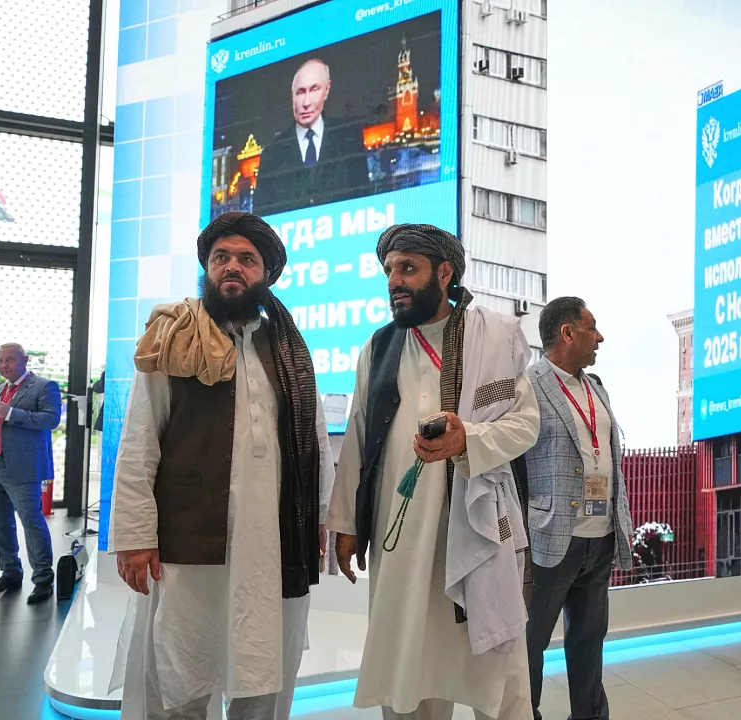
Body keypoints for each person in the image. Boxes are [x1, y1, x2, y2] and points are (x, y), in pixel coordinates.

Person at [108, 212, 334, 720]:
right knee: (184, 669)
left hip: (272, 542)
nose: (232, 267)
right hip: (191, 541)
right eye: (220, 258)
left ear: (267, 274)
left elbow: (315, 443)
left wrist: (319, 518)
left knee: (262, 666)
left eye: (246, 259)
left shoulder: (290, 353)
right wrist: (135, 535)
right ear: (207, 269)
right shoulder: (175, 339)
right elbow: (140, 443)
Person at [328, 223, 540, 720]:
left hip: (477, 525)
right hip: (398, 537)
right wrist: (345, 524)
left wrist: (469, 438)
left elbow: (526, 424)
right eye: (389, 271)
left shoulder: (496, 336)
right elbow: (358, 439)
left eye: (408, 268)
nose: (394, 281)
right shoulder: (378, 348)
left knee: (499, 668)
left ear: (444, 273)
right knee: (409, 664)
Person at [522, 298, 633, 720]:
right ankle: (522, 713)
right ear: (567, 333)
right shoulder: (528, 386)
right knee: (531, 642)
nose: (600, 337)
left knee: (589, 638)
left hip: (599, 536)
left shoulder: (596, 387)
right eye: (592, 327)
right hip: (552, 536)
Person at [0, 343, 61, 604]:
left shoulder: (45, 387)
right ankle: (10, 572)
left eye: (9, 359)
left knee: (31, 521)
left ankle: (43, 579)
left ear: (25, 360)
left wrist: (10, 412)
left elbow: (51, 419)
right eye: (0, 360)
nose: (3, 365)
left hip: (23, 468)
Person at [253, 58, 370, 216]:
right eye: (300, 92)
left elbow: (364, 202)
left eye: (314, 89)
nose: (306, 102)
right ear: (292, 96)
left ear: (327, 90)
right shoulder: (271, 155)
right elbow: (261, 222)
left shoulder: (349, 138)